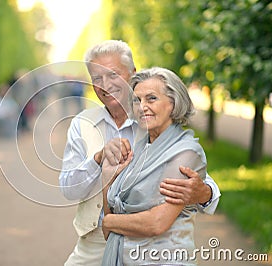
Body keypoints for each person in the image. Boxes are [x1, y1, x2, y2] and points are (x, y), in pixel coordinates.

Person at [59, 40, 221, 265]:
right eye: (97, 78)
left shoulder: (153, 122)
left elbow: (195, 175)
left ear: (132, 74)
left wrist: (204, 193)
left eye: (113, 74)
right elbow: (69, 189)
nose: (105, 84)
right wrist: (97, 159)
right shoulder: (81, 123)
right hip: (94, 240)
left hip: (148, 245)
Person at [101, 67, 208, 265]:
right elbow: (110, 229)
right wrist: (108, 179)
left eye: (151, 99)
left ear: (173, 103)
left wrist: (109, 222)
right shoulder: (138, 149)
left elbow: (157, 222)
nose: (142, 107)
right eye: (136, 100)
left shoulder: (186, 153)